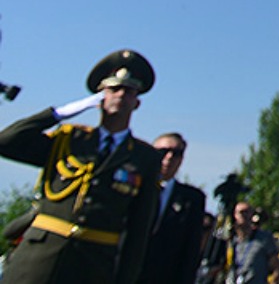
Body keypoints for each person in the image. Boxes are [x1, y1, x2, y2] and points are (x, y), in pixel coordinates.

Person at [0, 49, 163, 284]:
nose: (120, 95)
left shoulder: (144, 158)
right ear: (99, 99)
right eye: (113, 89)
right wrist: (57, 114)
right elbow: (6, 142)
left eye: (128, 91)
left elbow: (138, 231)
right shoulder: (69, 140)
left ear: (136, 103)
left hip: (92, 266)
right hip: (38, 261)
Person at [135, 132, 208, 284]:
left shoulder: (192, 199)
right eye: (163, 152)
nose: (168, 158)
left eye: (176, 154)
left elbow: (191, 251)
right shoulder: (133, 187)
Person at [224, 202, 277, 284]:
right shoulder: (231, 240)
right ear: (235, 215)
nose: (244, 215)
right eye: (241, 212)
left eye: (247, 212)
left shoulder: (264, 238)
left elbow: (275, 265)